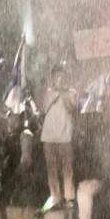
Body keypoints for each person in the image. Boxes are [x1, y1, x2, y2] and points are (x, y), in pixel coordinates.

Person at [40, 64, 79, 208]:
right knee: (52, 169)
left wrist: (62, 93)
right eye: (57, 76)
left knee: (67, 168)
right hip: (49, 136)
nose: (59, 78)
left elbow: (71, 109)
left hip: (65, 136)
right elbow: (43, 109)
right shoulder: (48, 92)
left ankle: (69, 198)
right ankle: (56, 199)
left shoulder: (72, 92)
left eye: (62, 75)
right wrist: (49, 92)